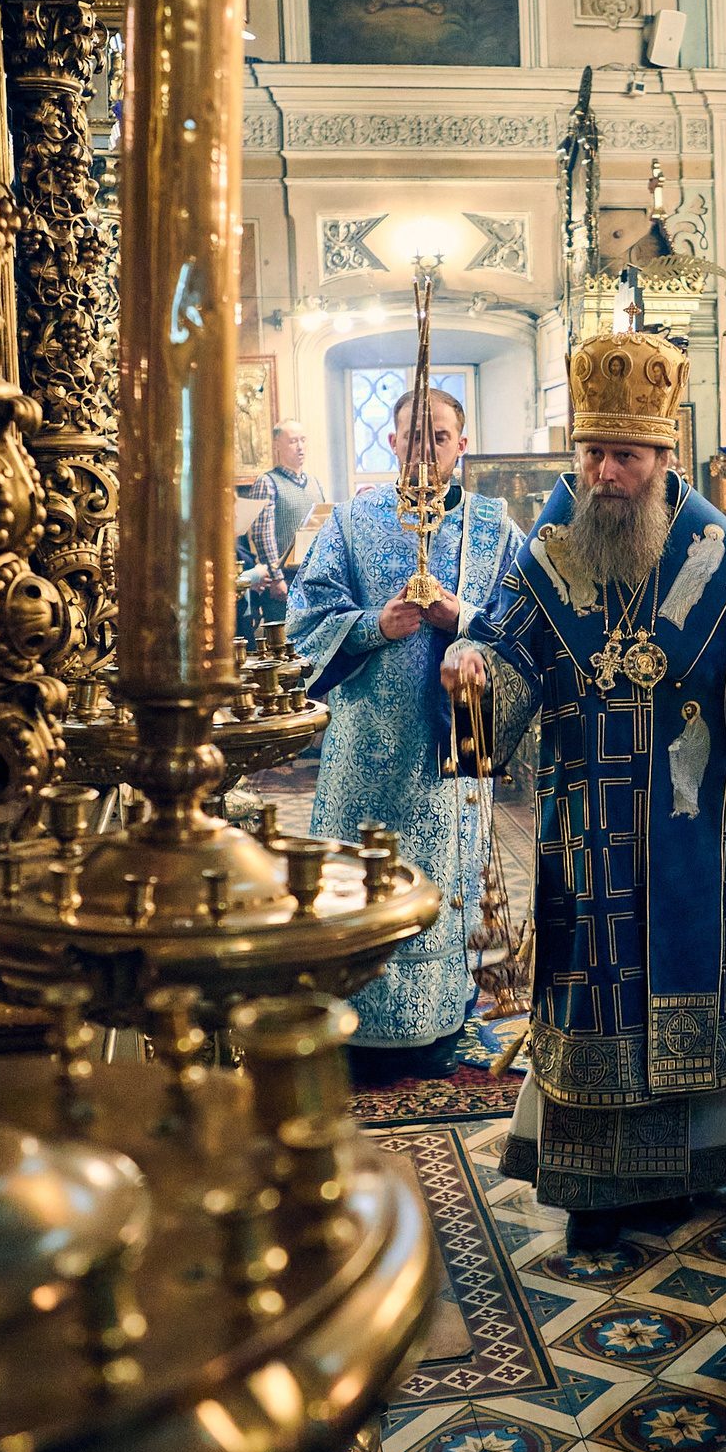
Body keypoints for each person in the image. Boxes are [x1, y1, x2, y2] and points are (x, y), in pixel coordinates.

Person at [442, 332, 726, 1249]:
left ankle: (695, 1164)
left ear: (663, 457)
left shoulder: (724, 554)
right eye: (593, 452)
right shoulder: (546, 558)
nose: (605, 472)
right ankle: (593, 1183)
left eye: (626, 455)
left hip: (693, 830)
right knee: (591, 989)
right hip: (586, 826)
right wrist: (474, 674)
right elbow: (510, 663)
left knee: (695, 987)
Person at [290, 388, 527, 1075]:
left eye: (441, 436)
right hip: (367, 747)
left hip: (451, 748)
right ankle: (355, 1030)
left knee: (447, 880)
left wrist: (463, 620)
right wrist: (374, 625)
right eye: (414, 436)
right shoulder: (353, 519)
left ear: (462, 444)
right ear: (391, 444)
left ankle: (440, 1025)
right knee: (357, 882)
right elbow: (308, 615)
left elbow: (523, 626)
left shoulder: (493, 526)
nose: (427, 449)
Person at [243, 418, 326, 629]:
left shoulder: (314, 483)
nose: (300, 447)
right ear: (277, 445)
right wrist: (277, 577)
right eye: (292, 441)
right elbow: (263, 535)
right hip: (284, 581)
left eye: (303, 440)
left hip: (313, 578)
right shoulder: (267, 483)